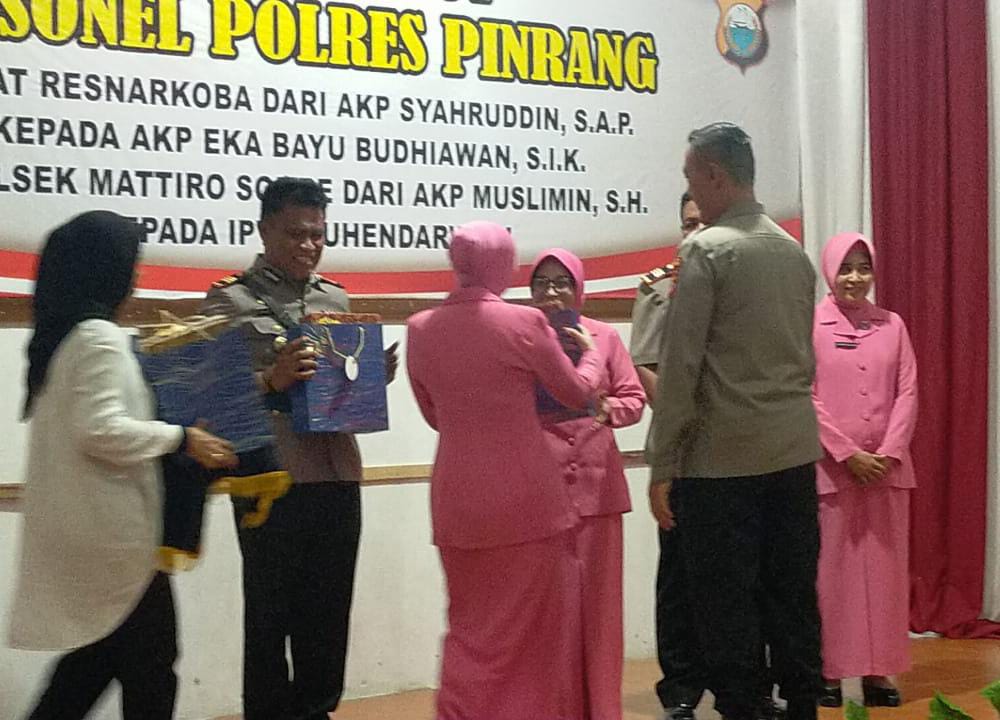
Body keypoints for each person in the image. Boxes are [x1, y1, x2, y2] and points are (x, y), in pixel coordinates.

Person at [9, 211, 237, 720]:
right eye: (130, 263)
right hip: (115, 535)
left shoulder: (64, 337)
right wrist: (182, 437)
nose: (137, 275)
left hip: (92, 531)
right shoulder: (98, 338)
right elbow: (101, 429)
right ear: (104, 269)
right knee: (151, 664)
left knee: (96, 664)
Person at [200, 177, 399, 720]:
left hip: (336, 471)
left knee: (328, 612)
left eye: (318, 234)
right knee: (270, 616)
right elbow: (207, 396)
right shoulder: (229, 298)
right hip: (270, 477)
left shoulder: (335, 298)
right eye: (296, 233)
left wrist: (371, 380)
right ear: (264, 229)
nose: (309, 245)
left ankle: (317, 711)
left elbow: (340, 390)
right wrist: (272, 378)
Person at [645, 122, 823, 720]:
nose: (690, 187)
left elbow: (680, 367)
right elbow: (804, 357)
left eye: (691, 176)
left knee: (726, 607)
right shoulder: (793, 252)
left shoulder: (705, 250)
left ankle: (744, 708)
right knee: (792, 595)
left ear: (715, 176)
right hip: (794, 455)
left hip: (722, 464)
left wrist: (662, 464)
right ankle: (802, 704)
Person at [406, 222, 604, 720]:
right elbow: (576, 393)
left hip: (456, 498)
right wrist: (592, 355)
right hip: (528, 500)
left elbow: (433, 415)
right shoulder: (524, 322)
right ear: (504, 264)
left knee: (468, 627)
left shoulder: (420, 328)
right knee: (537, 634)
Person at [530, 248, 645, 719]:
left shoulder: (606, 337)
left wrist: (605, 409)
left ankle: (601, 708)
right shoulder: (522, 338)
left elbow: (634, 398)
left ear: (578, 289)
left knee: (600, 612)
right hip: (539, 490)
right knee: (547, 611)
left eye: (562, 282)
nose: (552, 292)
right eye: (542, 283)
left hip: (598, 489)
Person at [812, 232, 917, 708]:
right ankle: (830, 672)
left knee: (885, 575)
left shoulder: (893, 325)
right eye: (846, 268)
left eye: (864, 268)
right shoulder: (811, 325)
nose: (855, 277)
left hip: (888, 472)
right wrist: (846, 452)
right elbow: (803, 393)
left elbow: (908, 391)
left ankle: (879, 673)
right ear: (829, 271)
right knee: (832, 574)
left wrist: (889, 451)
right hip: (833, 471)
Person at [630, 193, 708, 720]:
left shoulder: (742, 281)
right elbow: (645, 365)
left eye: (704, 223)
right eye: (687, 225)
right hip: (680, 451)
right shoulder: (658, 287)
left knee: (742, 571)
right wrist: (689, 415)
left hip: (739, 448)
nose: (694, 234)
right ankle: (681, 685)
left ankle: (742, 679)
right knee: (680, 572)